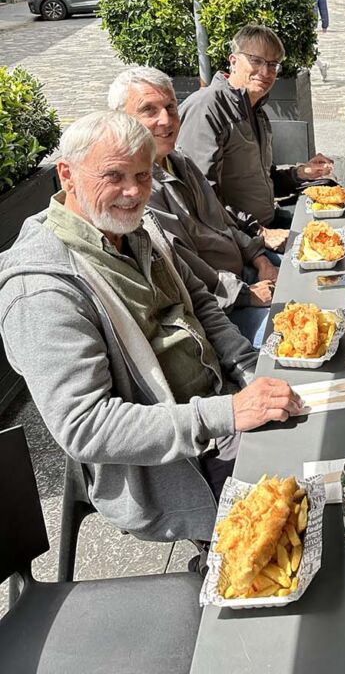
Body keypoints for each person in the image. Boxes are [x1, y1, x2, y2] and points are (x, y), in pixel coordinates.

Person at [0, 110, 303, 541]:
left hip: (223, 411)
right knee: (319, 487)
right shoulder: (42, 289)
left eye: (143, 176)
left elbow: (200, 302)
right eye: (114, 176)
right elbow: (87, 426)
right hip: (176, 470)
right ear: (66, 175)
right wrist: (228, 413)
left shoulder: (138, 229)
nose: (133, 192)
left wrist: (252, 369)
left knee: (343, 424)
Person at [109, 66, 279, 348]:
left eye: (170, 107)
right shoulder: (137, 188)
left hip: (244, 273)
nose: (166, 120)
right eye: (149, 111)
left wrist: (259, 259)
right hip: (220, 305)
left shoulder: (180, 160)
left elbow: (222, 221)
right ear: (120, 120)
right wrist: (245, 294)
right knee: (297, 333)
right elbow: (182, 265)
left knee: (322, 281)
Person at [178, 23, 333, 231]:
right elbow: (203, 197)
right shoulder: (207, 108)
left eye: (272, 64)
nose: (265, 71)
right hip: (237, 240)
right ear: (233, 61)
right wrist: (259, 235)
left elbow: (262, 180)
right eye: (256, 60)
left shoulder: (256, 110)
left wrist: (301, 173)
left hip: (265, 224)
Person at [292, 0, 330, 81]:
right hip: (297, 19)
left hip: (311, 19)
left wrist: (325, 22)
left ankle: (307, 70)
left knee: (306, 45)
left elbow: (322, 3)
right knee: (302, 46)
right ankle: (319, 65)